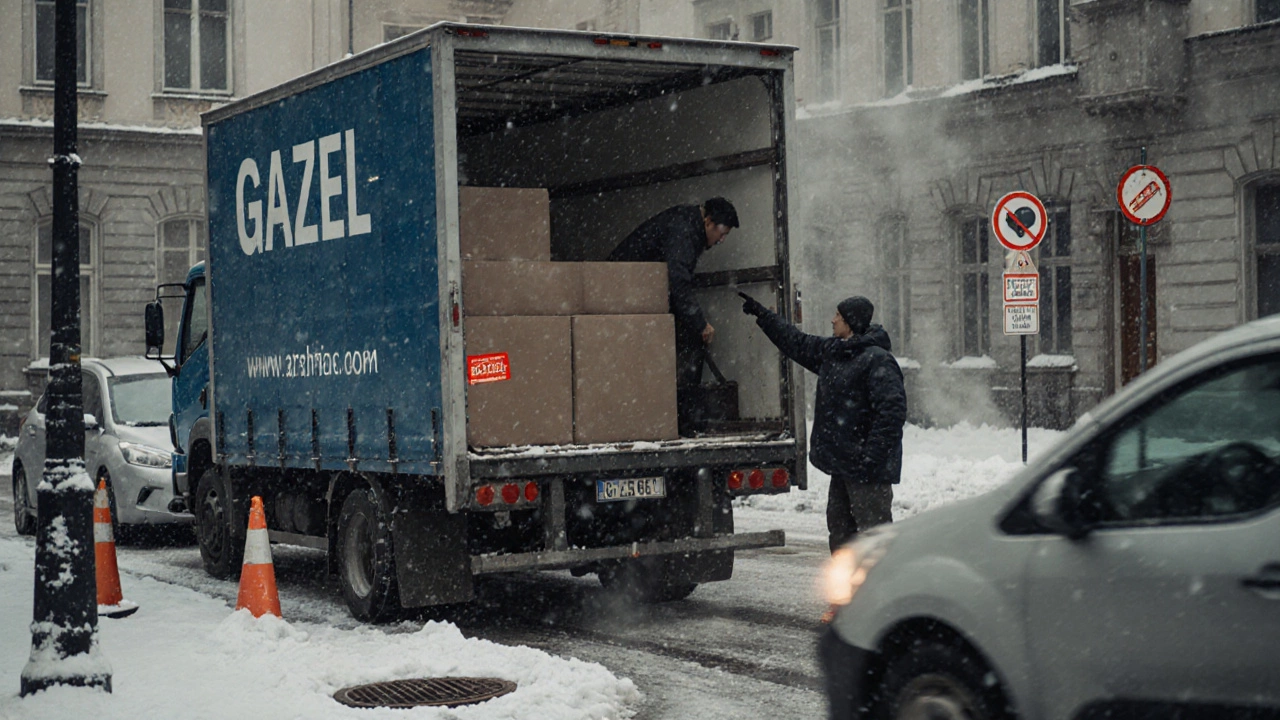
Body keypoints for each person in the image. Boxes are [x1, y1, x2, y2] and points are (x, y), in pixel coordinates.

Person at [740, 292, 907, 552]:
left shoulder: (878, 360)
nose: (832, 320)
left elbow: (891, 414)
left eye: (838, 316)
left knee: (874, 542)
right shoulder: (835, 352)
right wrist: (764, 316)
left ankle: (882, 590)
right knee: (841, 537)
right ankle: (847, 591)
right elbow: (796, 342)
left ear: (851, 322)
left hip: (867, 473)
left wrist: (870, 459)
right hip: (843, 468)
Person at [608, 198, 739, 435]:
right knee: (690, 341)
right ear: (708, 221)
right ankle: (684, 421)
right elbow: (678, 280)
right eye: (722, 232)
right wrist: (700, 324)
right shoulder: (684, 230)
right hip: (620, 293)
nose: (722, 240)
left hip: (634, 295)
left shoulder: (688, 225)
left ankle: (678, 417)